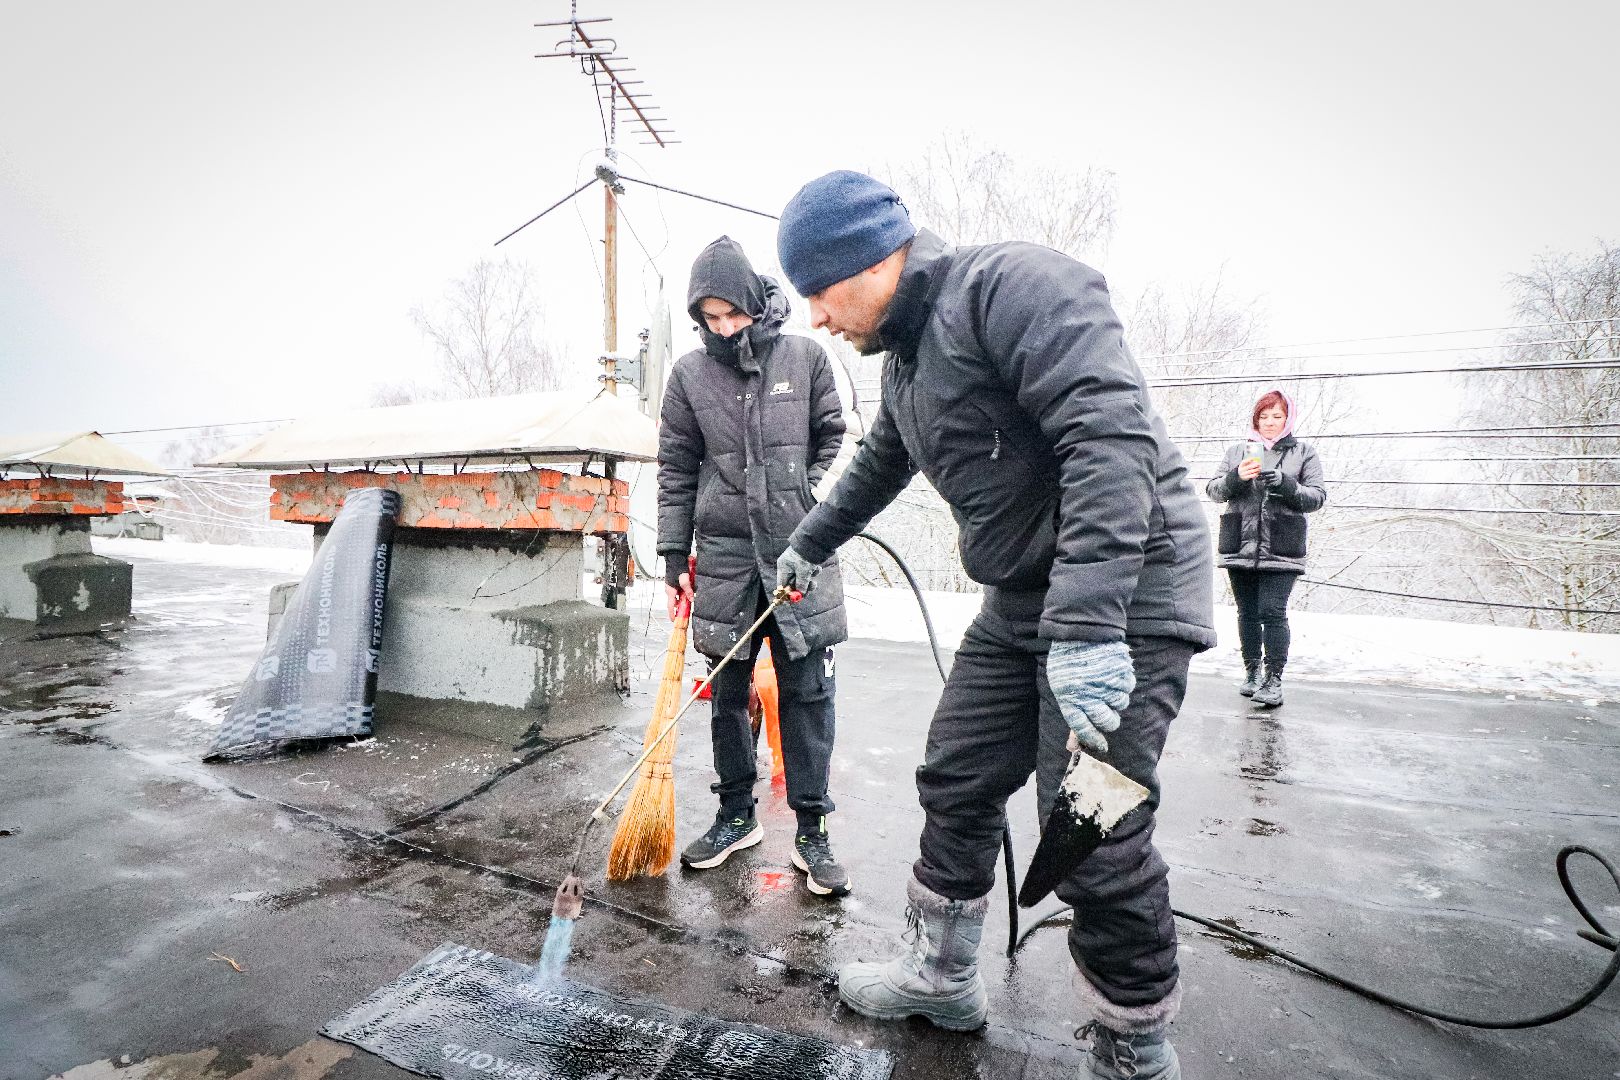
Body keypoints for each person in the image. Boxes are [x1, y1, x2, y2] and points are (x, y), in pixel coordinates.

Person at [772, 171, 1214, 1080]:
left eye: (821, 290)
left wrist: (1088, 625)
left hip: (1126, 593)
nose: (816, 316)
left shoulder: (1012, 286)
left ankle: (1134, 1053)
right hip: (1020, 598)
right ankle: (939, 976)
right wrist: (808, 543)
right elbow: (880, 461)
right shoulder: (906, 362)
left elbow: (1110, 437)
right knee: (957, 775)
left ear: (873, 258)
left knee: (1089, 830)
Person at [656, 235, 853, 897]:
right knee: (728, 697)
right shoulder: (688, 376)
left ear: (754, 301)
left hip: (801, 554)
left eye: (732, 314)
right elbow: (676, 470)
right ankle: (736, 816)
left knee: (808, 695)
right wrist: (672, 554)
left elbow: (837, 438)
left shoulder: (806, 357)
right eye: (709, 318)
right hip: (724, 559)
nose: (723, 328)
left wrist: (812, 503)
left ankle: (812, 830)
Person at [1205, 389, 1327, 708]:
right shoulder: (1237, 452)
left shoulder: (1304, 452)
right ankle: (1252, 673)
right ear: (1255, 419)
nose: (1270, 422)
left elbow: (1317, 497)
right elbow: (1214, 491)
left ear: (1288, 419)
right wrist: (1236, 478)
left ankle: (1274, 680)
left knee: (1272, 611)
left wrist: (1286, 484)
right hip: (1239, 545)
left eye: (1277, 416)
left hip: (1282, 547)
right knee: (1246, 612)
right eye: (1263, 416)